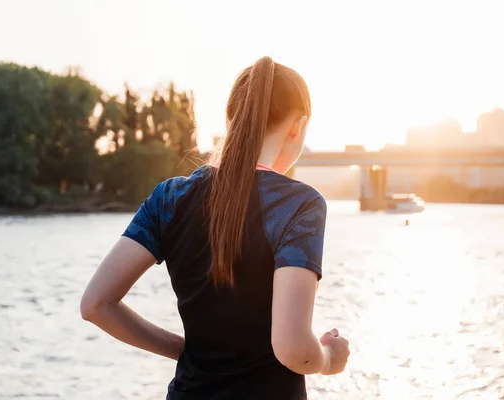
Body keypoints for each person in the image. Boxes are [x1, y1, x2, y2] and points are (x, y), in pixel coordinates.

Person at [80, 56, 350, 399]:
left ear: (230, 118)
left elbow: (95, 305)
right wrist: (329, 358)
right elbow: (293, 349)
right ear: (298, 126)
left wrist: (185, 351)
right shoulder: (298, 205)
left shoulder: (168, 199)